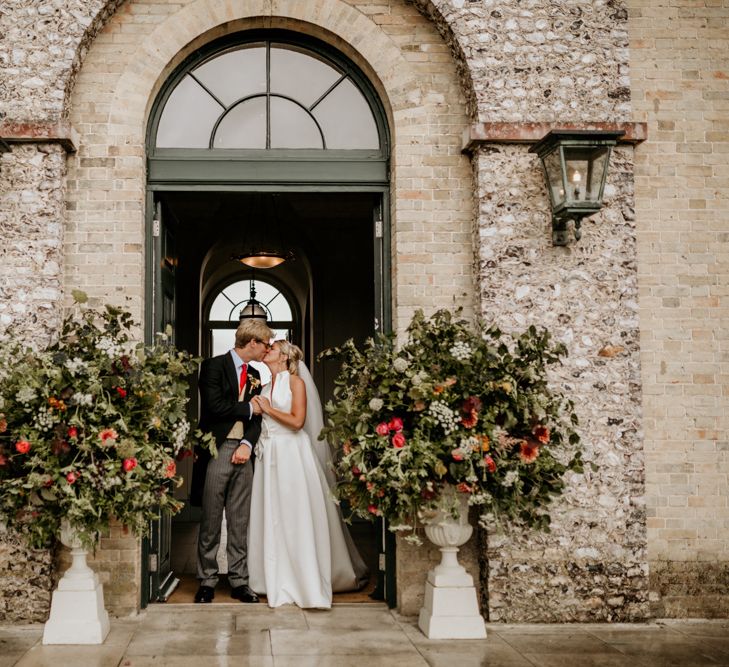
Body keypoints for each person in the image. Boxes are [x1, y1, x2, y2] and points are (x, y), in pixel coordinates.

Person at [247, 340, 369, 609]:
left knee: (294, 515)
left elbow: (297, 421)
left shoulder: (295, 383)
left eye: (273, 348)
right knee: (274, 515)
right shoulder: (265, 385)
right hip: (270, 457)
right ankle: (273, 578)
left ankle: (305, 581)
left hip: (291, 455)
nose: (267, 350)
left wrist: (267, 409)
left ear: (285, 357)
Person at [193, 319, 274, 604]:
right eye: (265, 343)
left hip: (243, 450)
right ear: (252, 342)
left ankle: (239, 581)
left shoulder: (256, 375)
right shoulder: (212, 367)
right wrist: (248, 408)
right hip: (217, 448)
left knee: (240, 519)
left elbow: (258, 418)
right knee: (212, 518)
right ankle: (207, 580)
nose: (268, 349)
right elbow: (214, 407)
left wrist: (247, 443)